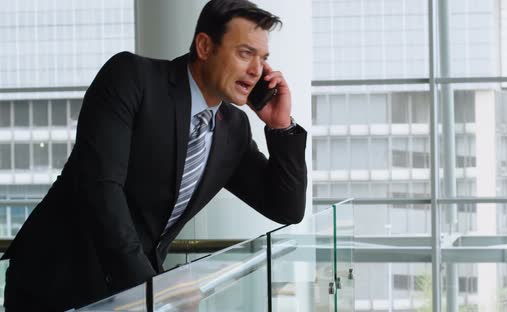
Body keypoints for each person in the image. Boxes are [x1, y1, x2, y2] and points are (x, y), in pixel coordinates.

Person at [2, 0, 307, 310]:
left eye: (263, 58)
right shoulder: (132, 78)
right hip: (55, 282)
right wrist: (150, 289)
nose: (256, 70)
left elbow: (286, 208)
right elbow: (101, 189)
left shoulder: (233, 128)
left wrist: (281, 126)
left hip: (128, 294)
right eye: (245, 53)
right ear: (204, 46)